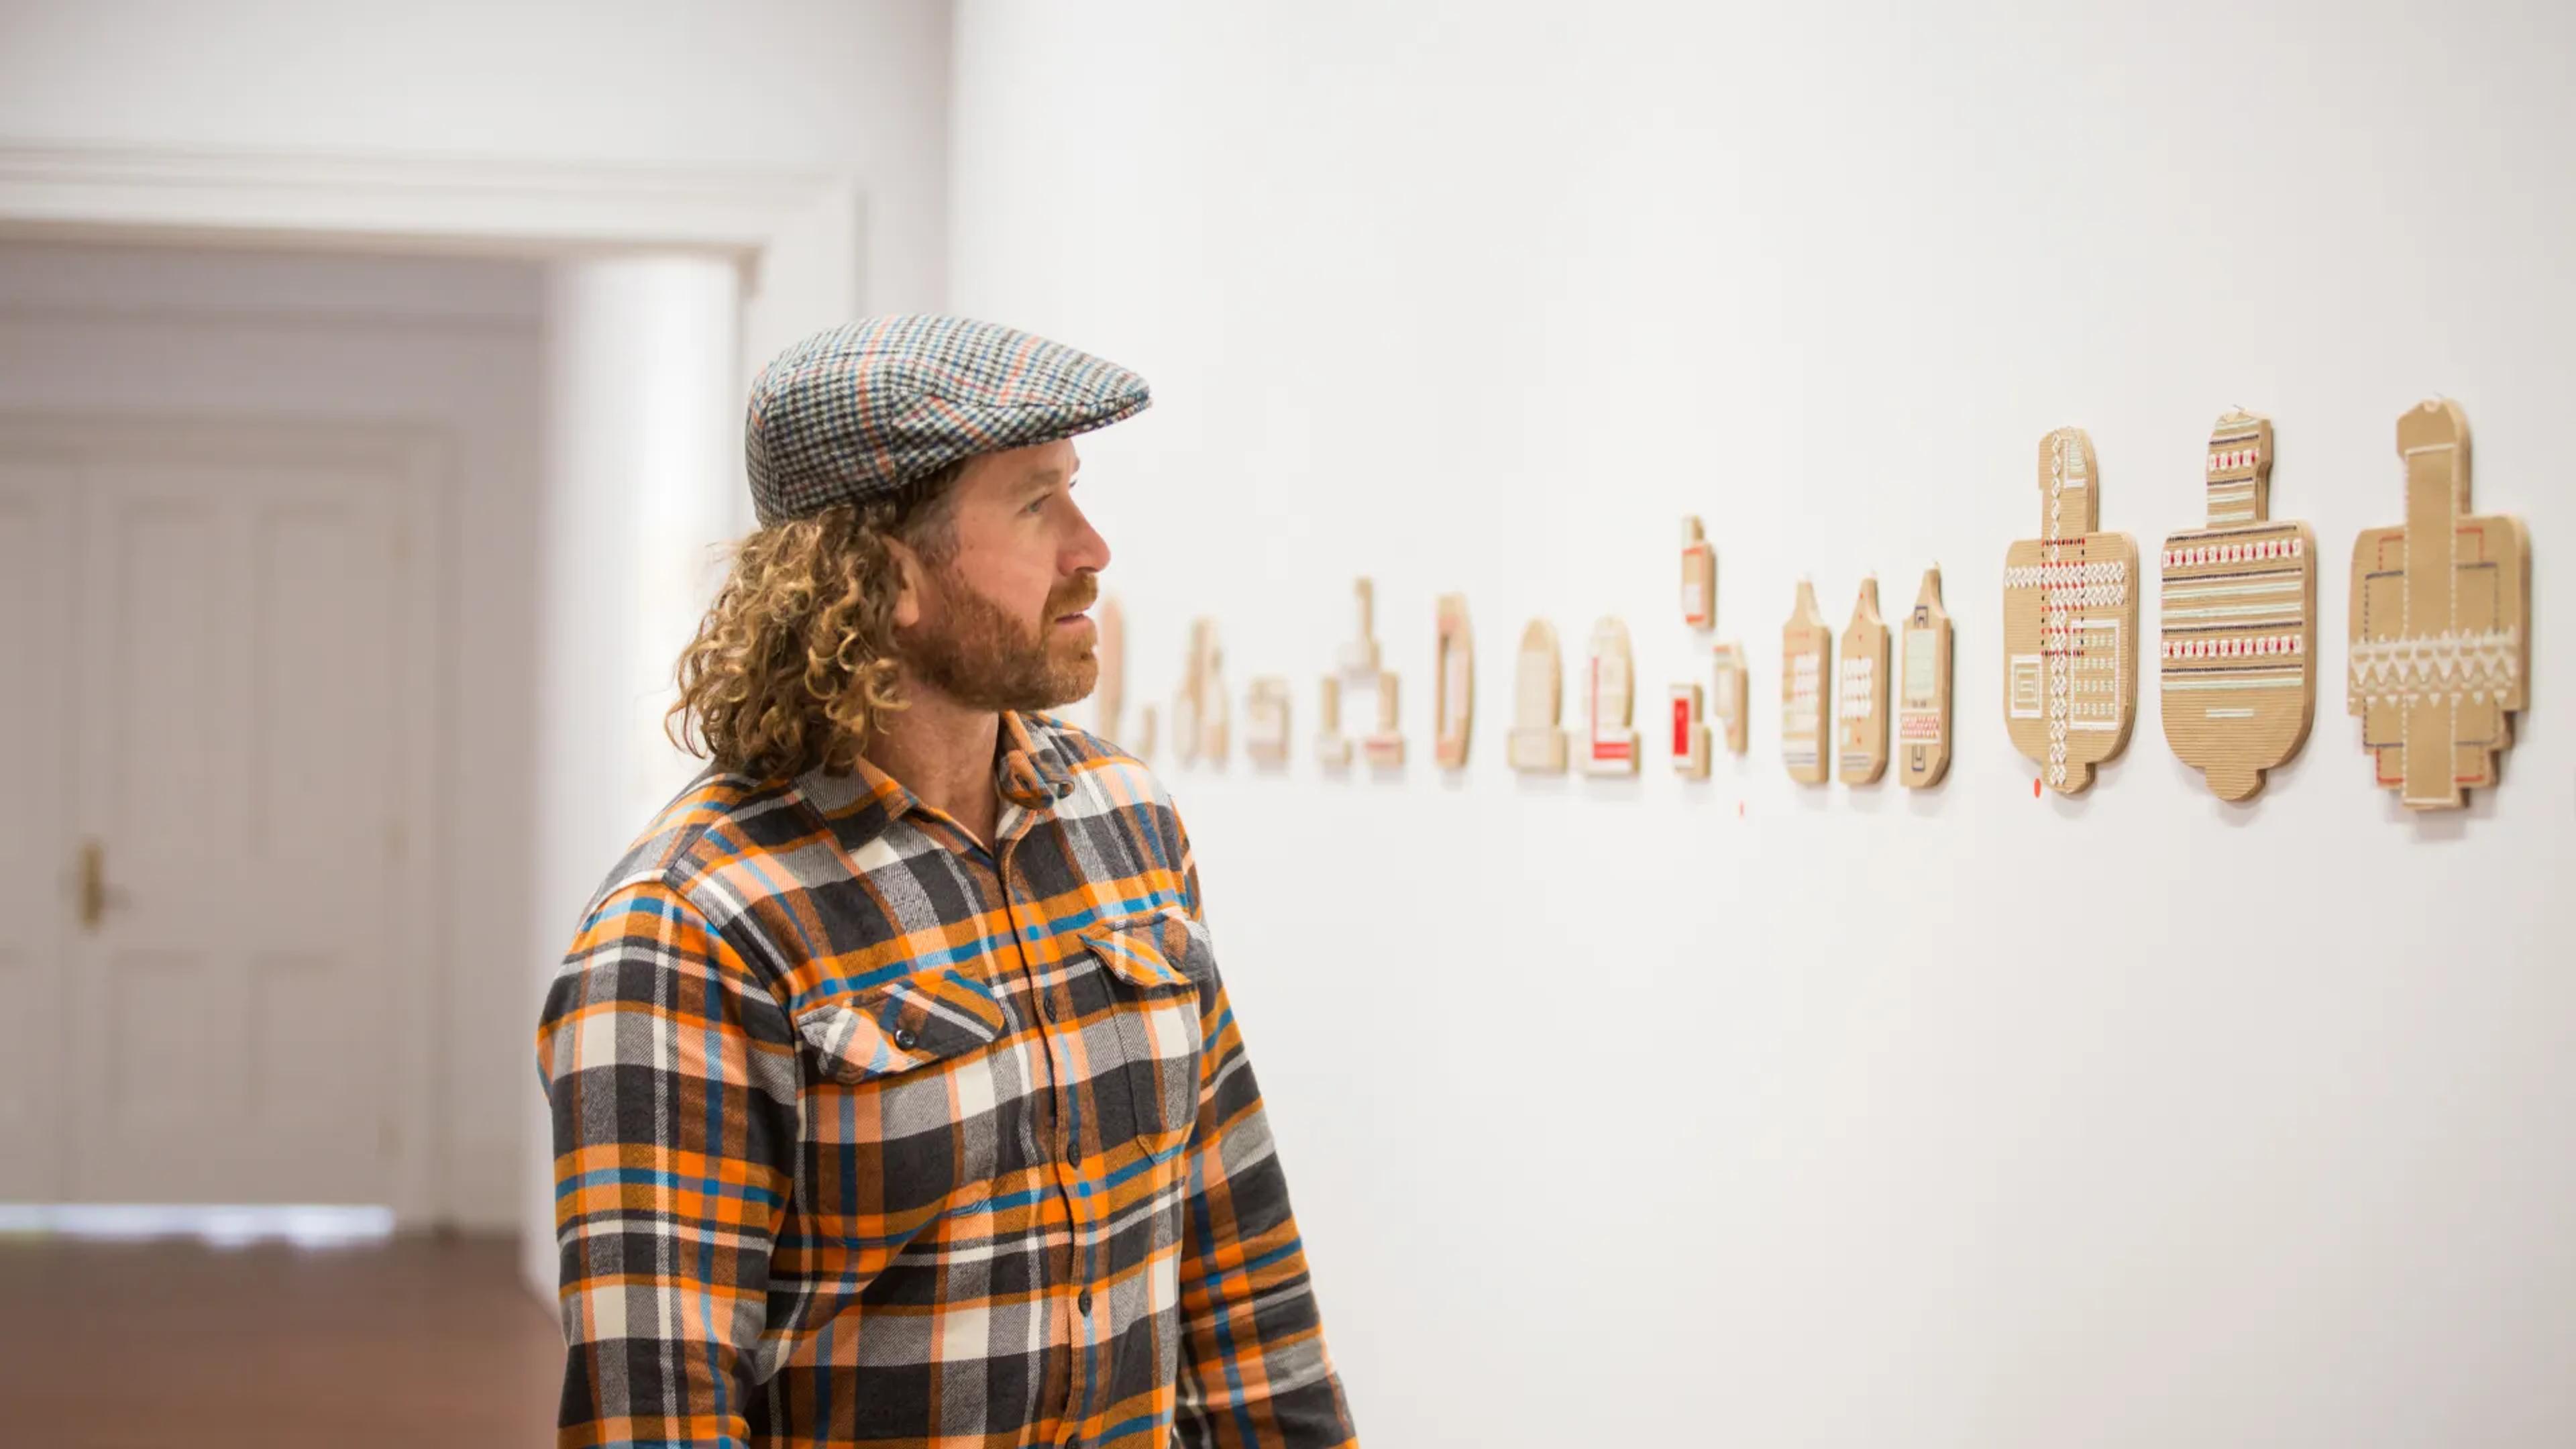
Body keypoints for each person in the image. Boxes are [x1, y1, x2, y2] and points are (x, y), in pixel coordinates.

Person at [535, 317, 1358, 1449]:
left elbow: (1236, 1244)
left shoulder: (1125, 822)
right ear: (887, 578)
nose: (1093, 548)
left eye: (1075, 491)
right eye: (1036, 505)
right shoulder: (690, 931)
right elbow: (659, 1412)